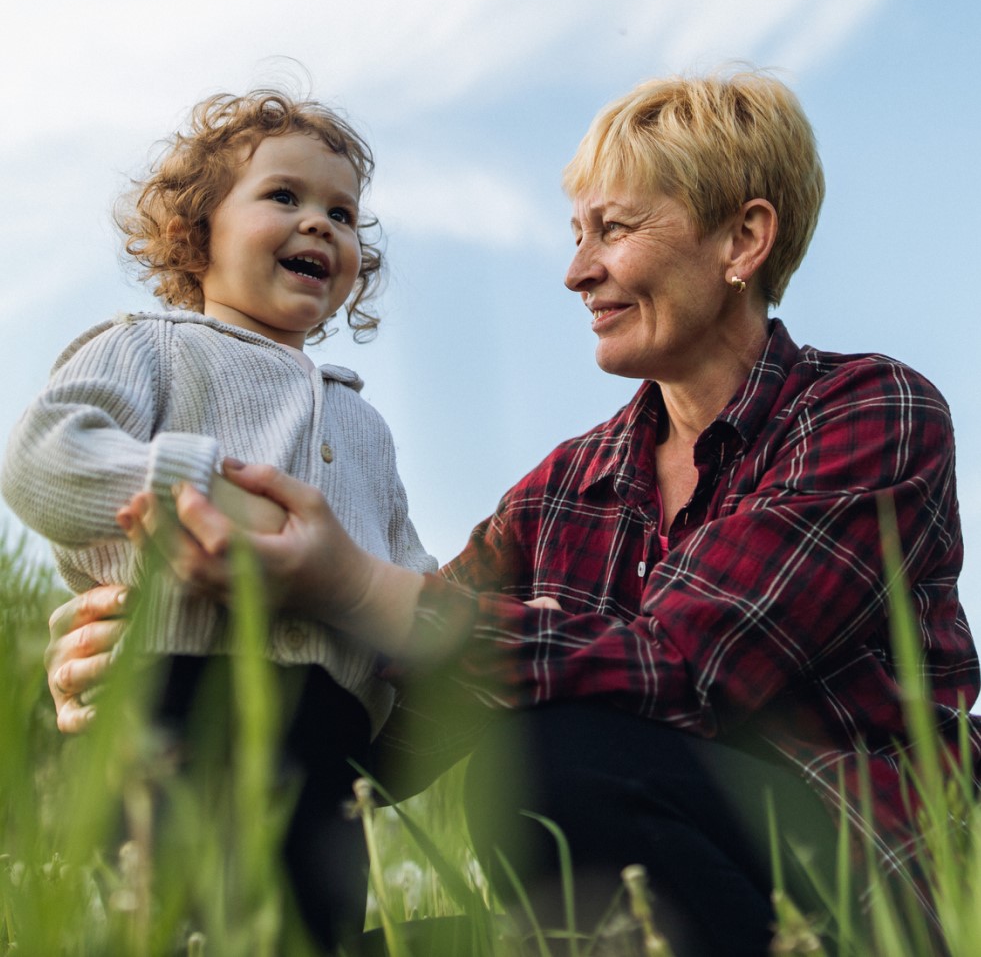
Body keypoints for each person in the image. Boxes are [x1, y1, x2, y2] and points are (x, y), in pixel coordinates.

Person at [45, 71, 981, 956]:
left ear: (741, 241)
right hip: (645, 898)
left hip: (857, 895)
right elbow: (400, 710)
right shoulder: (564, 490)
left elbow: (689, 668)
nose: (577, 272)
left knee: (553, 753)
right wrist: (183, 676)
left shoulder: (870, 413)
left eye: (611, 229)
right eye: (575, 233)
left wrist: (350, 580)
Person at [2, 89, 437, 952]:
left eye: (342, 213)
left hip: (329, 743)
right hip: (174, 693)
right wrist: (187, 483)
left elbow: (407, 573)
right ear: (196, 235)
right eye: (284, 197)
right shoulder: (148, 348)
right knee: (171, 921)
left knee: (306, 932)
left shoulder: (365, 425)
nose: (319, 224)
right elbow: (45, 457)